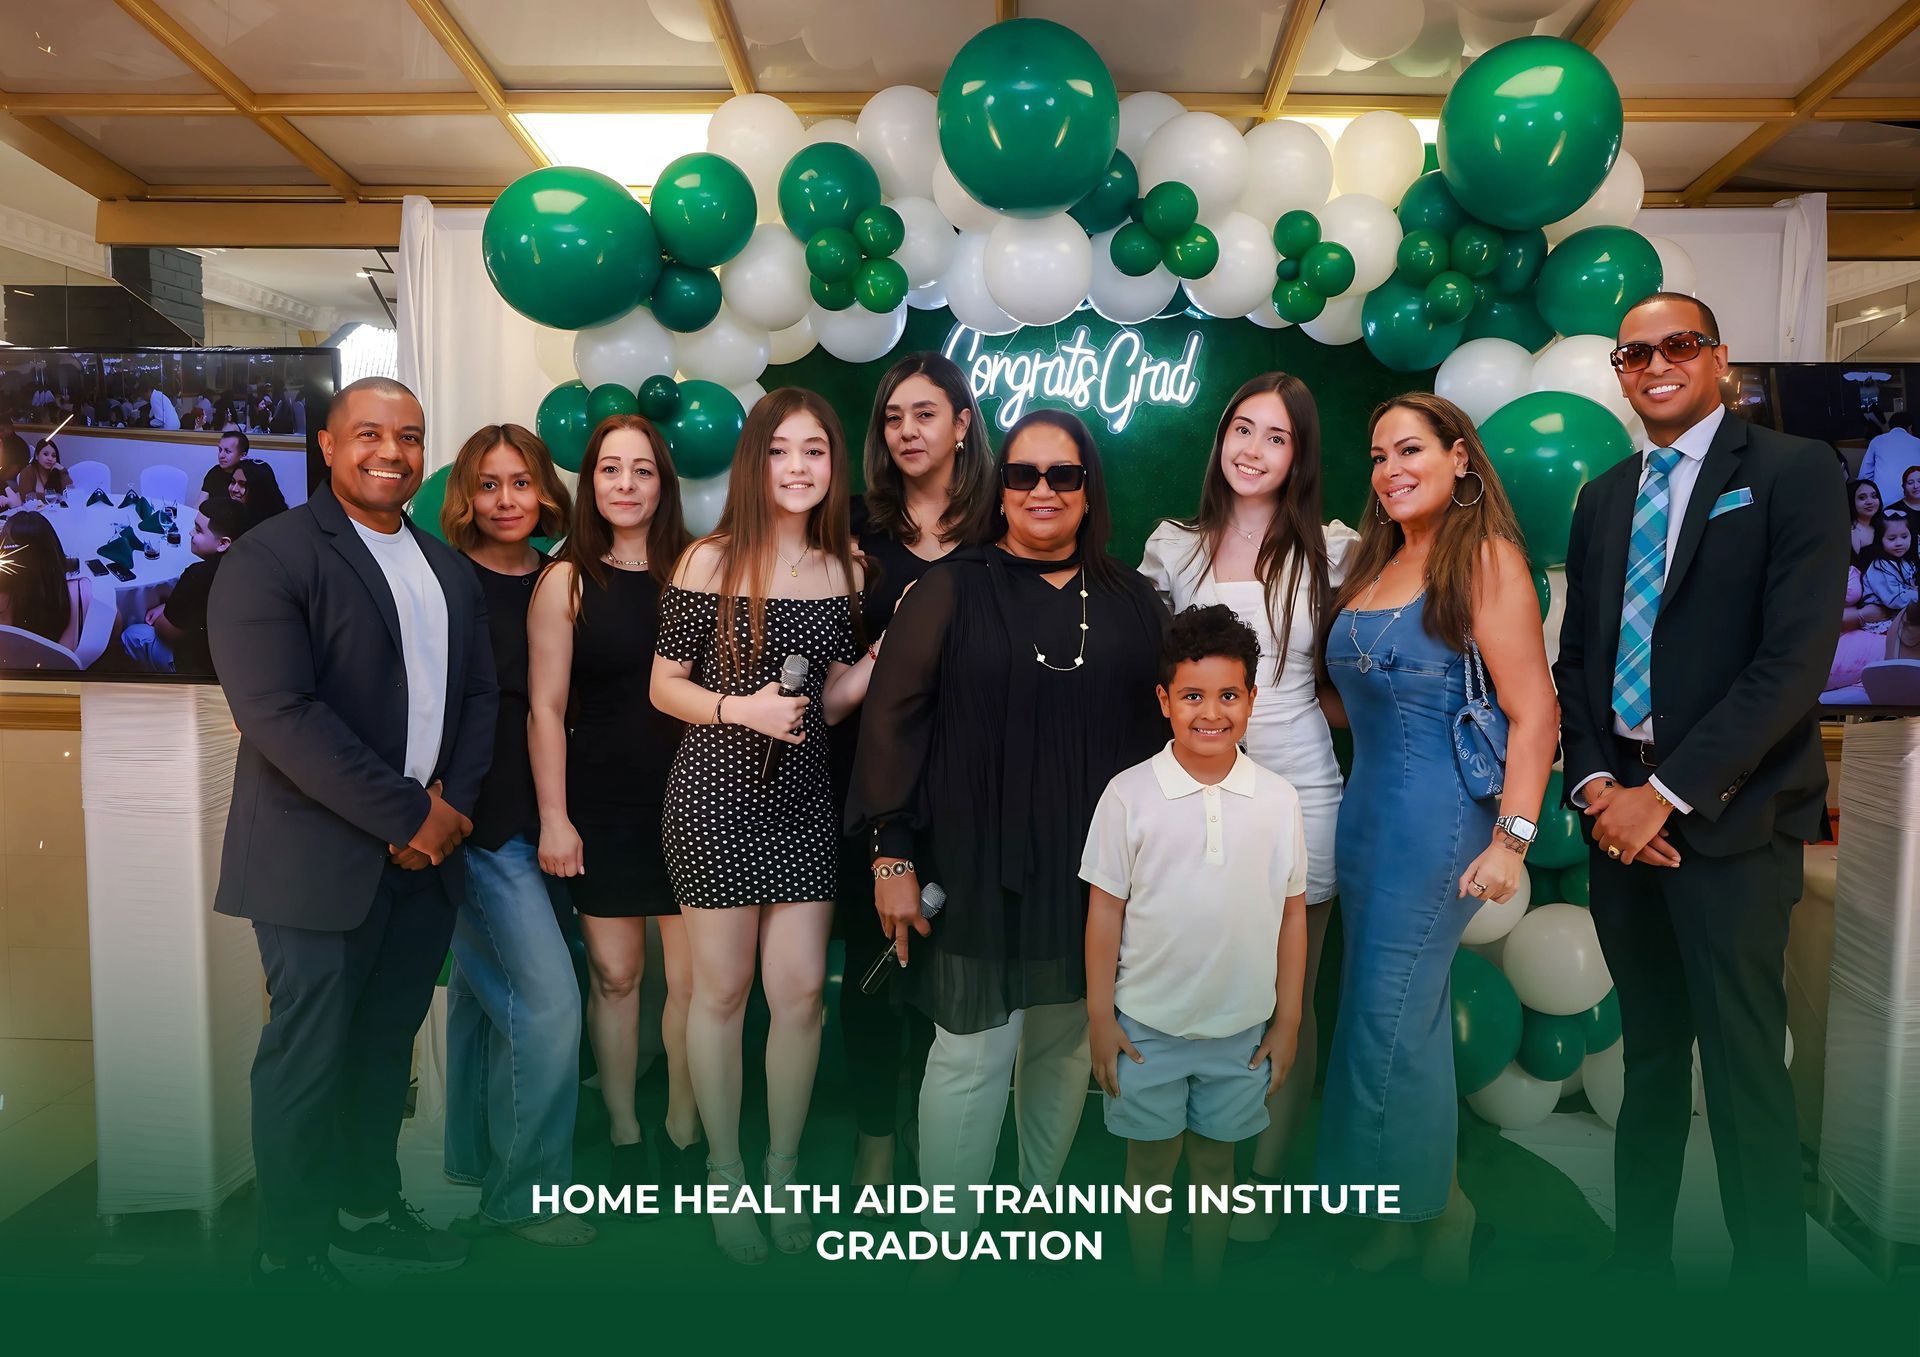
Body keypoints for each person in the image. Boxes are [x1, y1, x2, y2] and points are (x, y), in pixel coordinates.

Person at [1555, 293, 1848, 1285]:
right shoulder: (1604, 495)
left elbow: (1792, 662)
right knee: (1647, 1065)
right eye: (1634, 352)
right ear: (1621, 372)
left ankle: (1770, 1299)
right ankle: (1638, 1278)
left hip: (1728, 824)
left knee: (1741, 1079)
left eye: (1678, 344)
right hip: (1617, 824)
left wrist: (1665, 793)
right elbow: (1577, 665)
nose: (1656, 364)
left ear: (1718, 357)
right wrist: (1600, 786)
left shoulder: (1793, 472)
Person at [848, 409, 1169, 1247]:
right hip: (975, 857)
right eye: (1023, 474)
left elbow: (1165, 745)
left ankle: (1033, 1209)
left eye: (1063, 474)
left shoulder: (1136, 601)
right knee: (970, 1052)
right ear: (1000, 489)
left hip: (1093, 869)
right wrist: (891, 853)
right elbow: (893, 721)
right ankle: (946, 1243)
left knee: (1064, 1044)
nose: (1041, 490)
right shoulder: (948, 587)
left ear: (1089, 487)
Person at [208, 376, 497, 1290]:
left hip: (424, 863)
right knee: (309, 1055)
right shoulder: (270, 555)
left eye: (409, 435)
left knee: (384, 1050)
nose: (391, 451)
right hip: (315, 860)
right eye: (368, 433)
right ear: (328, 446)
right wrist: (410, 814)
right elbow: (279, 713)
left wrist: (446, 812)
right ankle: (289, 1249)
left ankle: (369, 1210)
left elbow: (482, 696)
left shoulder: (446, 564)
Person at [1315, 392, 1558, 1283]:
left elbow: (1536, 715)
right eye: (1378, 455)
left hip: (1442, 823)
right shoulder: (1373, 566)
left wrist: (1513, 841)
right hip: (1366, 815)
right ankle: (1397, 1215)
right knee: (1371, 1019)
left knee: (1394, 1022)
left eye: (1410, 448)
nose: (1390, 469)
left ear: (1460, 457)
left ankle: (1444, 1217)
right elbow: (1353, 698)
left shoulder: (1484, 559)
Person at [649, 388, 872, 1265]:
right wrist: (739, 708)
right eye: (781, 450)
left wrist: (882, 662)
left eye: (815, 450)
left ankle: (781, 1171)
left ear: (832, 465)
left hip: (805, 802)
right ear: (755, 461)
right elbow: (663, 685)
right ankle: (725, 1170)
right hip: (711, 799)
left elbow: (832, 702)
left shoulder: (845, 570)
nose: (798, 467)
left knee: (803, 994)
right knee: (722, 993)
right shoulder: (709, 561)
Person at [1137, 372, 1356, 1239]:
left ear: (1299, 454)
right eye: (1241, 428)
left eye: (1276, 436)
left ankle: (1259, 1183)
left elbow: (1352, 682)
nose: (1253, 449)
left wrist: (1301, 709)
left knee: (1284, 997)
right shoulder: (1174, 547)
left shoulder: (1334, 550)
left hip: (1303, 794)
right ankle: (1188, 1160)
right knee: (1198, 986)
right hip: (1189, 799)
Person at [1082, 604, 1308, 1285]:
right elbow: (1103, 913)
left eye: (1228, 695)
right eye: (1192, 695)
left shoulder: (1278, 799)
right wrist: (1100, 1017)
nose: (1211, 712)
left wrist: (1289, 1018)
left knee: (1217, 1164)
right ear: (1165, 700)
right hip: (1144, 1031)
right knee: (1149, 1166)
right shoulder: (1129, 796)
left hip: (1238, 1034)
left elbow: (1292, 914)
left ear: (1251, 699)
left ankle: (1205, 1288)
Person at [833, 352, 995, 1203]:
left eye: (925, 414)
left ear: (962, 423)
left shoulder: (1006, 523)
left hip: (975, 788)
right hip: (871, 780)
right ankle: (874, 1145)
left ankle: (954, 1155)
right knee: (872, 975)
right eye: (893, 417)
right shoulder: (854, 527)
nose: (907, 431)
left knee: (962, 978)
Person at [529, 416, 699, 1189]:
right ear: (589, 482)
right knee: (618, 975)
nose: (626, 485)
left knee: (696, 983)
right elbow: (544, 709)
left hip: (697, 801)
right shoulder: (564, 580)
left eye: (642, 471)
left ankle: (685, 1125)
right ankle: (627, 1127)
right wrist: (556, 817)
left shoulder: (697, 569)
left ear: (663, 484)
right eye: (610, 470)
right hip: (601, 801)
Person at [434, 422, 593, 1247]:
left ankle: (480, 1163)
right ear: (467, 495)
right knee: (548, 1005)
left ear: (545, 491)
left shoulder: (565, 578)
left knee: (490, 1000)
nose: (506, 500)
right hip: (480, 822)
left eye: (521, 482)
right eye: (490, 484)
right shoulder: (442, 579)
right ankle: (528, 1195)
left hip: (551, 818)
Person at [118, 497, 250, 675]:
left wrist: (163, 616)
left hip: (198, 665)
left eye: (198, 530)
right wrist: (171, 606)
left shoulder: (199, 575)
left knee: (132, 634)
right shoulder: (248, 564)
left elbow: (167, 632)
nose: (190, 533)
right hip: (235, 657)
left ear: (223, 543)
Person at [0, 510, 95, 654]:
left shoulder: (4, 601)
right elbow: (112, 628)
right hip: (61, 672)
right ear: (53, 550)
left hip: (12, 673)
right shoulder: (80, 591)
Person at [1861, 508, 1917, 616]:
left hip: (1902, 610)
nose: (1899, 543)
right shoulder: (1880, 566)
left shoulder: (1905, 559)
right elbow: (1895, 600)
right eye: (1892, 539)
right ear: (1880, 539)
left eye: (1904, 537)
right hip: (1882, 616)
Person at [1860, 410, 1920, 511]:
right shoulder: (1918, 442)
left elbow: (1864, 476)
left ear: (1890, 427)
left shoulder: (1877, 441)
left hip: (1885, 505)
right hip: (1915, 505)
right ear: (1910, 428)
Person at [6, 439, 72, 507]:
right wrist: (55, 495)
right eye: (46, 454)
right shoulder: (27, 472)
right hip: (35, 512)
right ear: (36, 456)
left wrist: (62, 471)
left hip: (57, 511)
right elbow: (27, 497)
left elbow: (70, 492)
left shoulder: (57, 471)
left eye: (53, 456)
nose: (50, 458)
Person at [231, 458, 291, 526]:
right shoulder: (231, 513)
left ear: (259, 491)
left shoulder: (275, 524)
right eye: (233, 482)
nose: (234, 489)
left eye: (242, 484)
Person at [199, 429, 247, 509]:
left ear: (242, 455)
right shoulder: (214, 472)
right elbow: (199, 506)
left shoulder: (247, 475)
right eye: (220, 450)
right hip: (212, 519)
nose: (221, 455)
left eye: (227, 451)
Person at [1847, 478, 1883, 557]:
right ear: (1851, 501)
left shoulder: (1882, 524)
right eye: (1862, 498)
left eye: (1874, 496)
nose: (1870, 502)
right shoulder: (1852, 533)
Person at [0, 416, 29, 484]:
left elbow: (14, 469)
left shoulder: (18, 445)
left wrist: (1, 480)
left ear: (10, 428)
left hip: (12, 481)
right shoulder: (3, 441)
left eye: (1, 430)